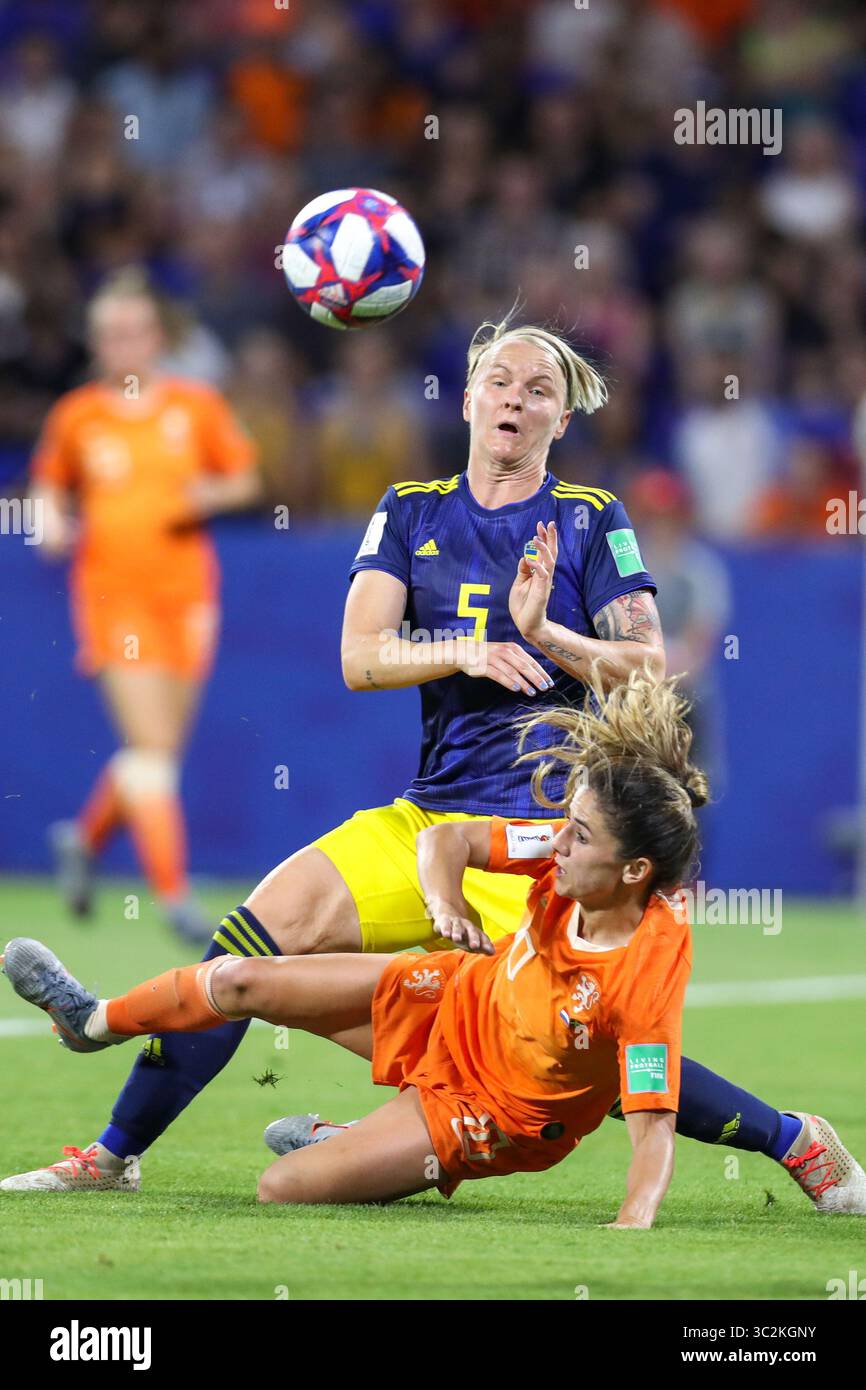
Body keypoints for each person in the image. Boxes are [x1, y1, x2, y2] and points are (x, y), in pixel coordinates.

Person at [4, 317, 859, 1214]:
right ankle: (113, 1154)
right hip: (426, 818)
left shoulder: (589, 517)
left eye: (539, 390)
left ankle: (795, 1141)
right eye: (500, 382)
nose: (516, 400)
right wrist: (464, 649)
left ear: (561, 420)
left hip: (544, 844)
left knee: (583, 1046)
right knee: (249, 946)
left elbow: (649, 666)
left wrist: (543, 633)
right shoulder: (412, 509)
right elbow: (359, 655)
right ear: (468, 399)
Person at [3, 670, 703, 1223]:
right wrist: (446, 900)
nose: (559, 841)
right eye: (567, 824)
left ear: (633, 871)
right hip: (452, 1002)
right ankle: (92, 1021)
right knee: (243, 978)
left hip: (488, 1110)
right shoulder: (561, 852)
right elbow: (446, 839)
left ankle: (346, 1143)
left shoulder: (644, 972)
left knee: (282, 1188)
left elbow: (652, 1122)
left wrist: (633, 1221)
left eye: (580, 834)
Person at [29, 269, 261, 941]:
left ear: (157, 338)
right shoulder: (78, 416)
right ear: (96, 342)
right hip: (112, 599)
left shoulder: (195, 406)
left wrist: (200, 496)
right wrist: (48, 521)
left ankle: (83, 838)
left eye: (133, 332)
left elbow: (245, 478)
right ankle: (174, 896)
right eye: (109, 334)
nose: (122, 345)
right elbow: (49, 486)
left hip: (188, 597)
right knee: (153, 751)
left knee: (153, 755)